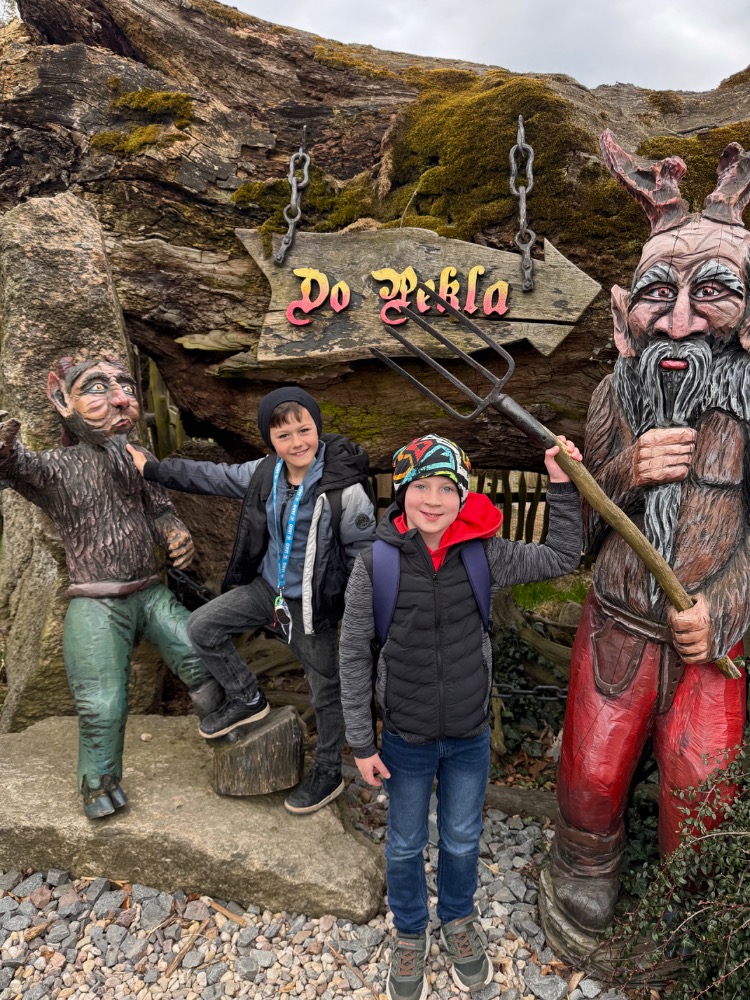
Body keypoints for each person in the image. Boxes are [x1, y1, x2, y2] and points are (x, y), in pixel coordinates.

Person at [544, 131, 750, 939]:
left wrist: (726, 607)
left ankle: (688, 900)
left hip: (712, 643)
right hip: (620, 622)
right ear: (623, 314)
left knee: (701, 784)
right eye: (658, 294)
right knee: (591, 772)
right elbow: (588, 512)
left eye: (713, 293)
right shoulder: (615, 395)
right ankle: (585, 860)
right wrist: (623, 468)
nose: (680, 322)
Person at [338, 433, 582, 1000]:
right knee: (404, 843)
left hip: (470, 736)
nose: (433, 499)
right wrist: (361, 742)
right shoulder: (376, 563)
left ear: (463, 495)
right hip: (405, 737)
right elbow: (352, 653)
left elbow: (562, 556)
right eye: (421, 485)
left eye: (446, 488)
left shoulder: (483, 553)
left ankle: (457, 919)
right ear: (401, 491)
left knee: (462, 838)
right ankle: (409, 930)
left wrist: (563, 485)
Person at [127, 386, 377, 814]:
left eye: (304, 430)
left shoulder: (344, 489)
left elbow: (363, 555)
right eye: (284, 435)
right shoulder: (266, 473)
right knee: (202, 626)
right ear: (270, 440)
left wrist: (358, 614)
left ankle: (329, 770)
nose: (297, 442)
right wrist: (153, 470)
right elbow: (212, 476)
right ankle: (247, 698)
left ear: (317, 427)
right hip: (267, 591)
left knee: (325, 689)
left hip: (310, 606)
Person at [0, 355, 220, 819]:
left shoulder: (138, 458)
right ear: (62, 399)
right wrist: (4, 445)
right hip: (96, 602)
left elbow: (159, 508)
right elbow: (17, 465)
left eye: (126, 386)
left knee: (203, 656)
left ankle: (225, 732)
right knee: (103, 701)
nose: (121, 399)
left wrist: (173, 528)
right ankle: (99, 782)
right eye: (98, 388)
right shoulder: (55, 468)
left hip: (151, 593)